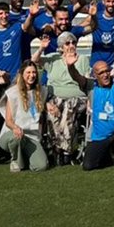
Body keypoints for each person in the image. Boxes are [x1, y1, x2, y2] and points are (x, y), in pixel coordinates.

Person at [36, 32, 89, 165]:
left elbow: (83, 83)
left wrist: (72, 67)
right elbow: (34, 61)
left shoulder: (82, 59)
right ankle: (59, 149)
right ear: (61, 47)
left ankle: (64, 151)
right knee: (52, 111)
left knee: (68, 108)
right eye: (67, 43)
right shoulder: (53, 58)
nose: (71, 45)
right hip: (56, 96)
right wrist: (41, 48)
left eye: (73, 43)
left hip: (77, 97)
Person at [0, 61, 55, 172]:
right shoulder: (13, 92)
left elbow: (41, 107)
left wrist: (49, 106)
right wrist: (15, 128)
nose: (31, 75)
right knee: (16, 138)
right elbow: (8, 120)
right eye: (28, 72)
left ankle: (26, 157)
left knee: (41, 166)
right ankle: (16, 161)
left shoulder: (41, 91)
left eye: (34, 72)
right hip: (12, 134)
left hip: (31, 136)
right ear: (22, 74)